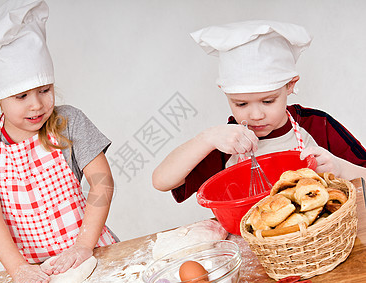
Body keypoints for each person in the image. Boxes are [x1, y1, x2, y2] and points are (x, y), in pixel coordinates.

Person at [0, 0, 117, 283]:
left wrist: (82, 246)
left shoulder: (69, 121)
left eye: (44, 90)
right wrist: (18, 269)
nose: (37, 105)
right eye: (21, 96)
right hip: (35, 272)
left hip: (92, 251)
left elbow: (102, 183)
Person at [152, 20, 366, 203]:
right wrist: (206, 139)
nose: (255, 115)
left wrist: (339, 168)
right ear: (225, 94)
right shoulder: (228, 142)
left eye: (267, 101)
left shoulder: (317, 125)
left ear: (290, 86)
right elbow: (161, 181)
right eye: (241, 104)